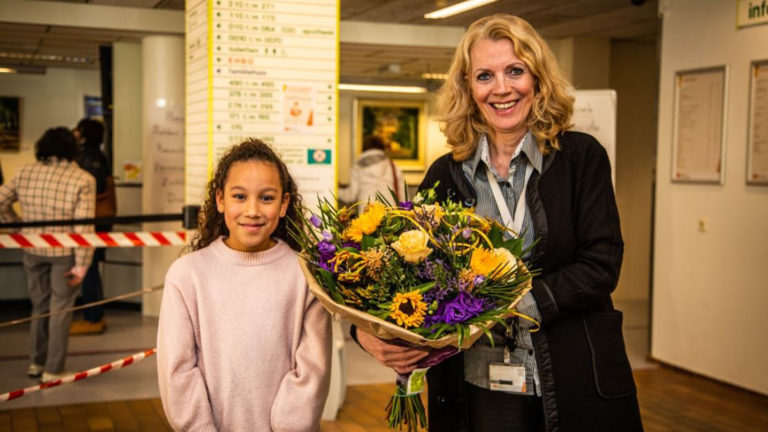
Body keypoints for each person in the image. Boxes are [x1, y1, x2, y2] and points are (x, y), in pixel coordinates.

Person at [352, 14, 643, 432]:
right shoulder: (445, 175)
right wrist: (365, 333)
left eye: (515, 71)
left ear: (538, 79)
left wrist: (507, 305)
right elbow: (402, 274)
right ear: (468, 88)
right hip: (475, 384)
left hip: (571, 378)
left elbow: (602, 263)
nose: (501, 88)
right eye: (485, 76)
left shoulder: (581, 158)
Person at [156, 139, 332, 431]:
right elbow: (178, 370)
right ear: (220, 200)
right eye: (239, 196)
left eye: (266, 198)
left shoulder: (305, 274)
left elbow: (313, 368)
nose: (252, 210)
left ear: (284, 204)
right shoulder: (186, 275)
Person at [0, 127, 95, 382]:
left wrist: (17, 227)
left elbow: (1, 201)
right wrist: (82, 265)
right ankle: (53, 369)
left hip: (32, 249)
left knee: (39, 306)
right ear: (73, 149)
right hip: (64, 252)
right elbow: (83, 227)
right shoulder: (83, 178)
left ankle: (36, 363)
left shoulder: (25, 172)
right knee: (60, 310)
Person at [70, 118, 112, 335]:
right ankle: (95, 315)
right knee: (92, 267)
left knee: (89, 267)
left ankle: (92, 317)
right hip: (100, 221)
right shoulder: (99, 155)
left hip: (93, 221)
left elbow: (96, 188)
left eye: (78, 130)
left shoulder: (88, 157)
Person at [338, 134, 406, 211]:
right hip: (390, 213)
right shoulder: (393, 166)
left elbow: (350, 196)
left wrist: (336, 189)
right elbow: (403, 196)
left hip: (366, 212)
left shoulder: (358, 166)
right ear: (382, 148)